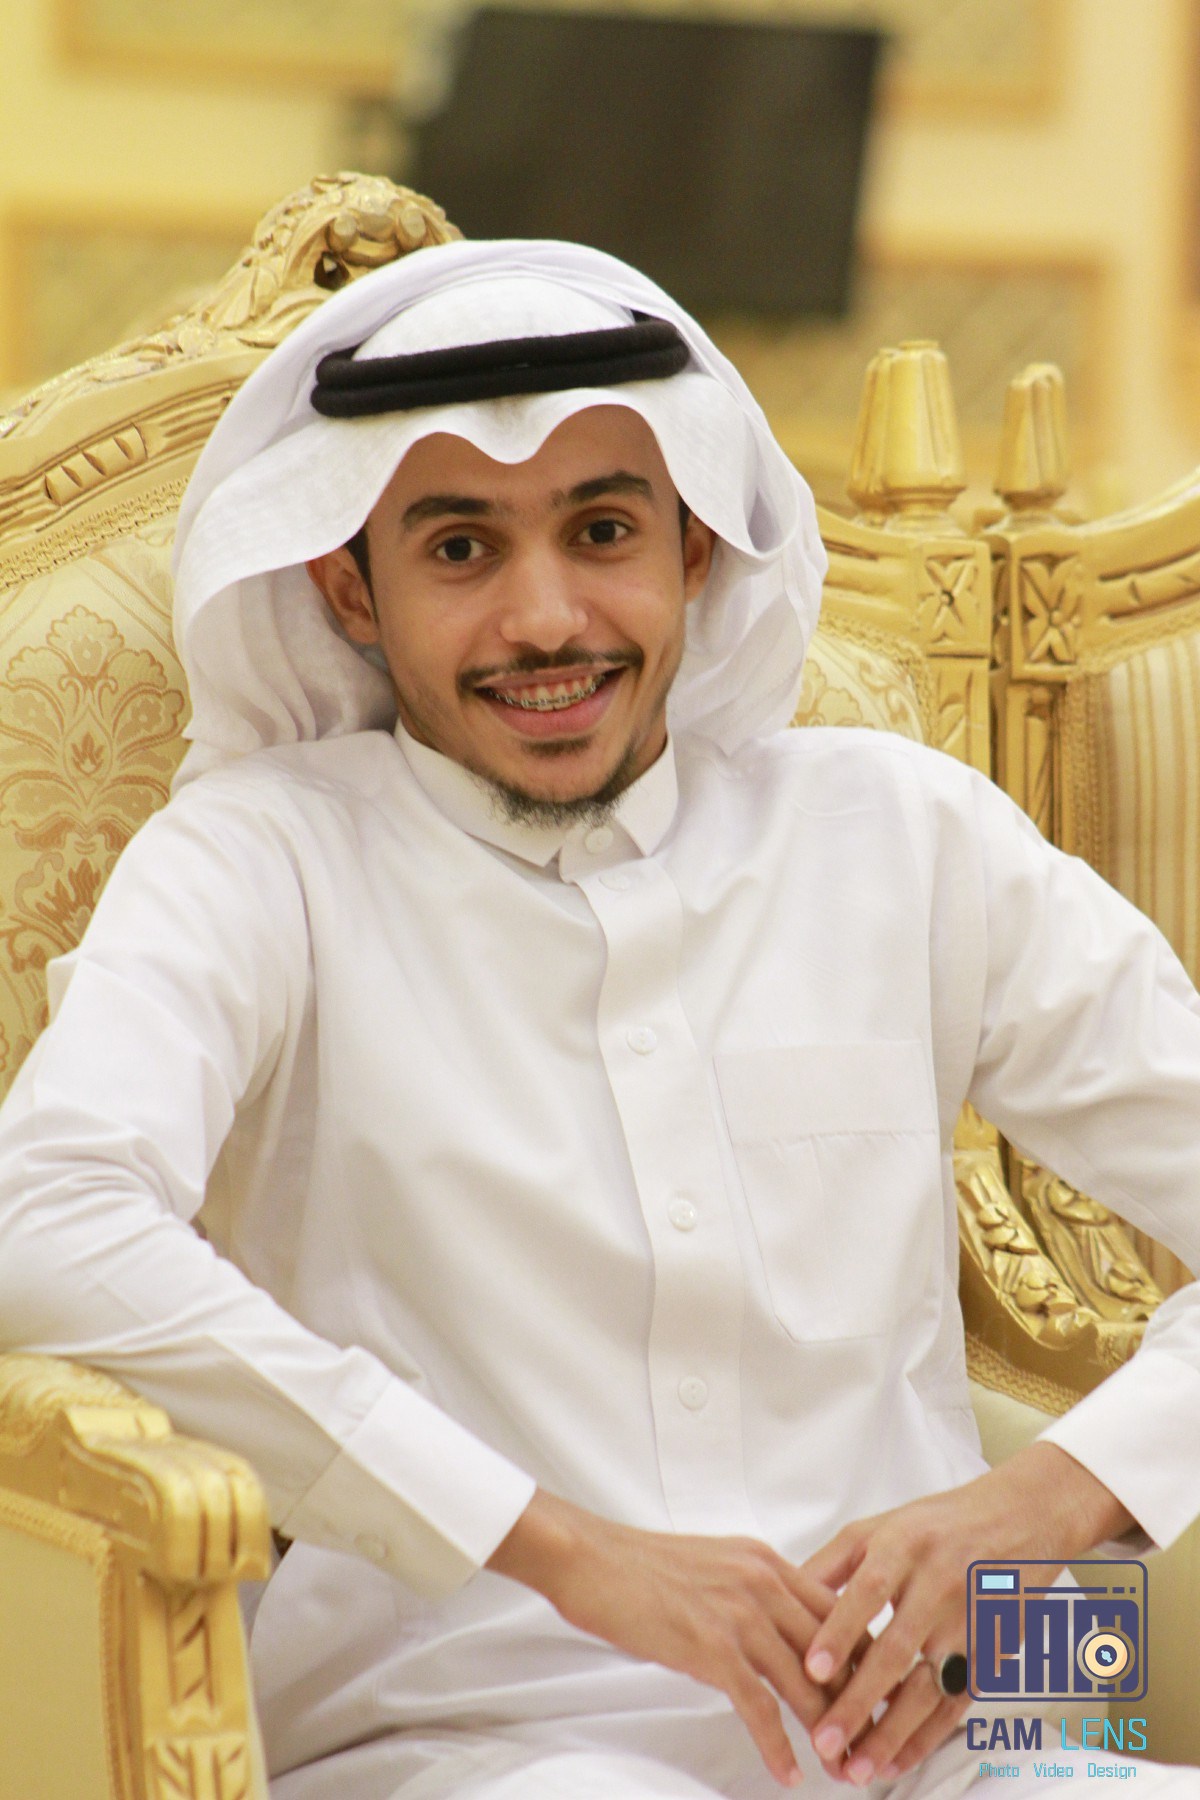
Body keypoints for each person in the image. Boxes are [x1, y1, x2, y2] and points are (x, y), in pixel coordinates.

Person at [0, 238, 1198, 1800]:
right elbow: (45, 1223)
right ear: (349, 586)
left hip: (958, 1733)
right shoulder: (262, 860)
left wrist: (1050, 1502)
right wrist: (559, 1548)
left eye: (604, 530)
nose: (546, 619)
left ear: (695, 546)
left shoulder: (901, 831)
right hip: (482, 1738)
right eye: (461, 550)